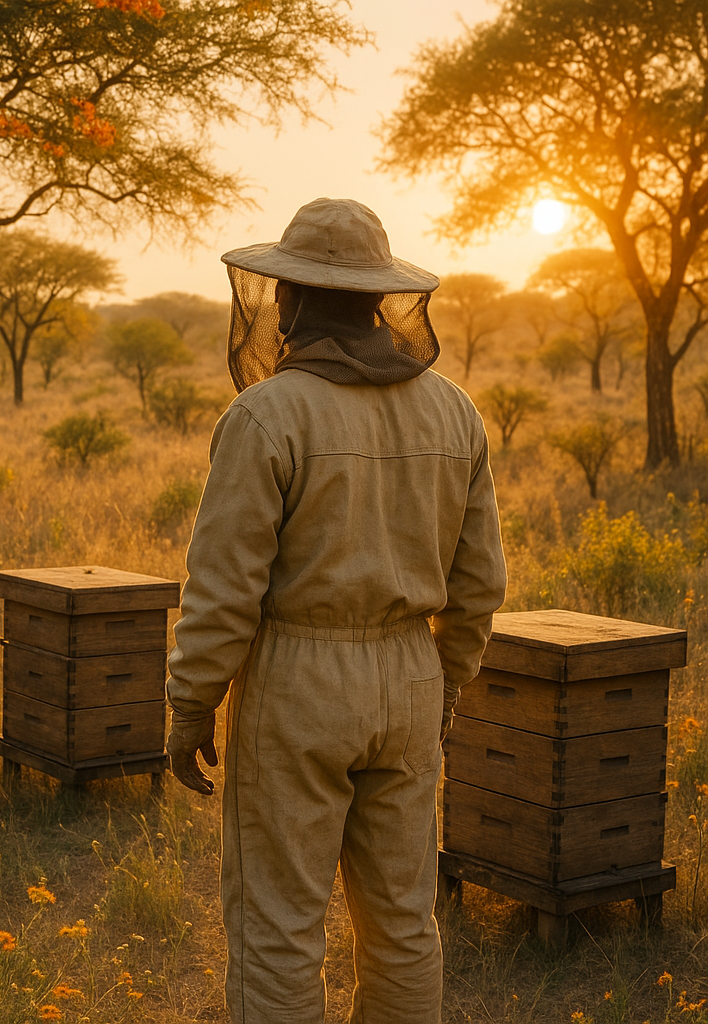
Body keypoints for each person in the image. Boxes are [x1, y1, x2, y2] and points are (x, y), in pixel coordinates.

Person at [164, 197, 507, 1024]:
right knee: (402, 922)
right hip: (411, 677)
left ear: (288, 300)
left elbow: (223, 593)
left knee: (280, 927)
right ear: (378, 302)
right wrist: (445, 686)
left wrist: (189, 706)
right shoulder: (453, 410)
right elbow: (480, 584)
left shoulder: (265, 414)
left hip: (299, 685)